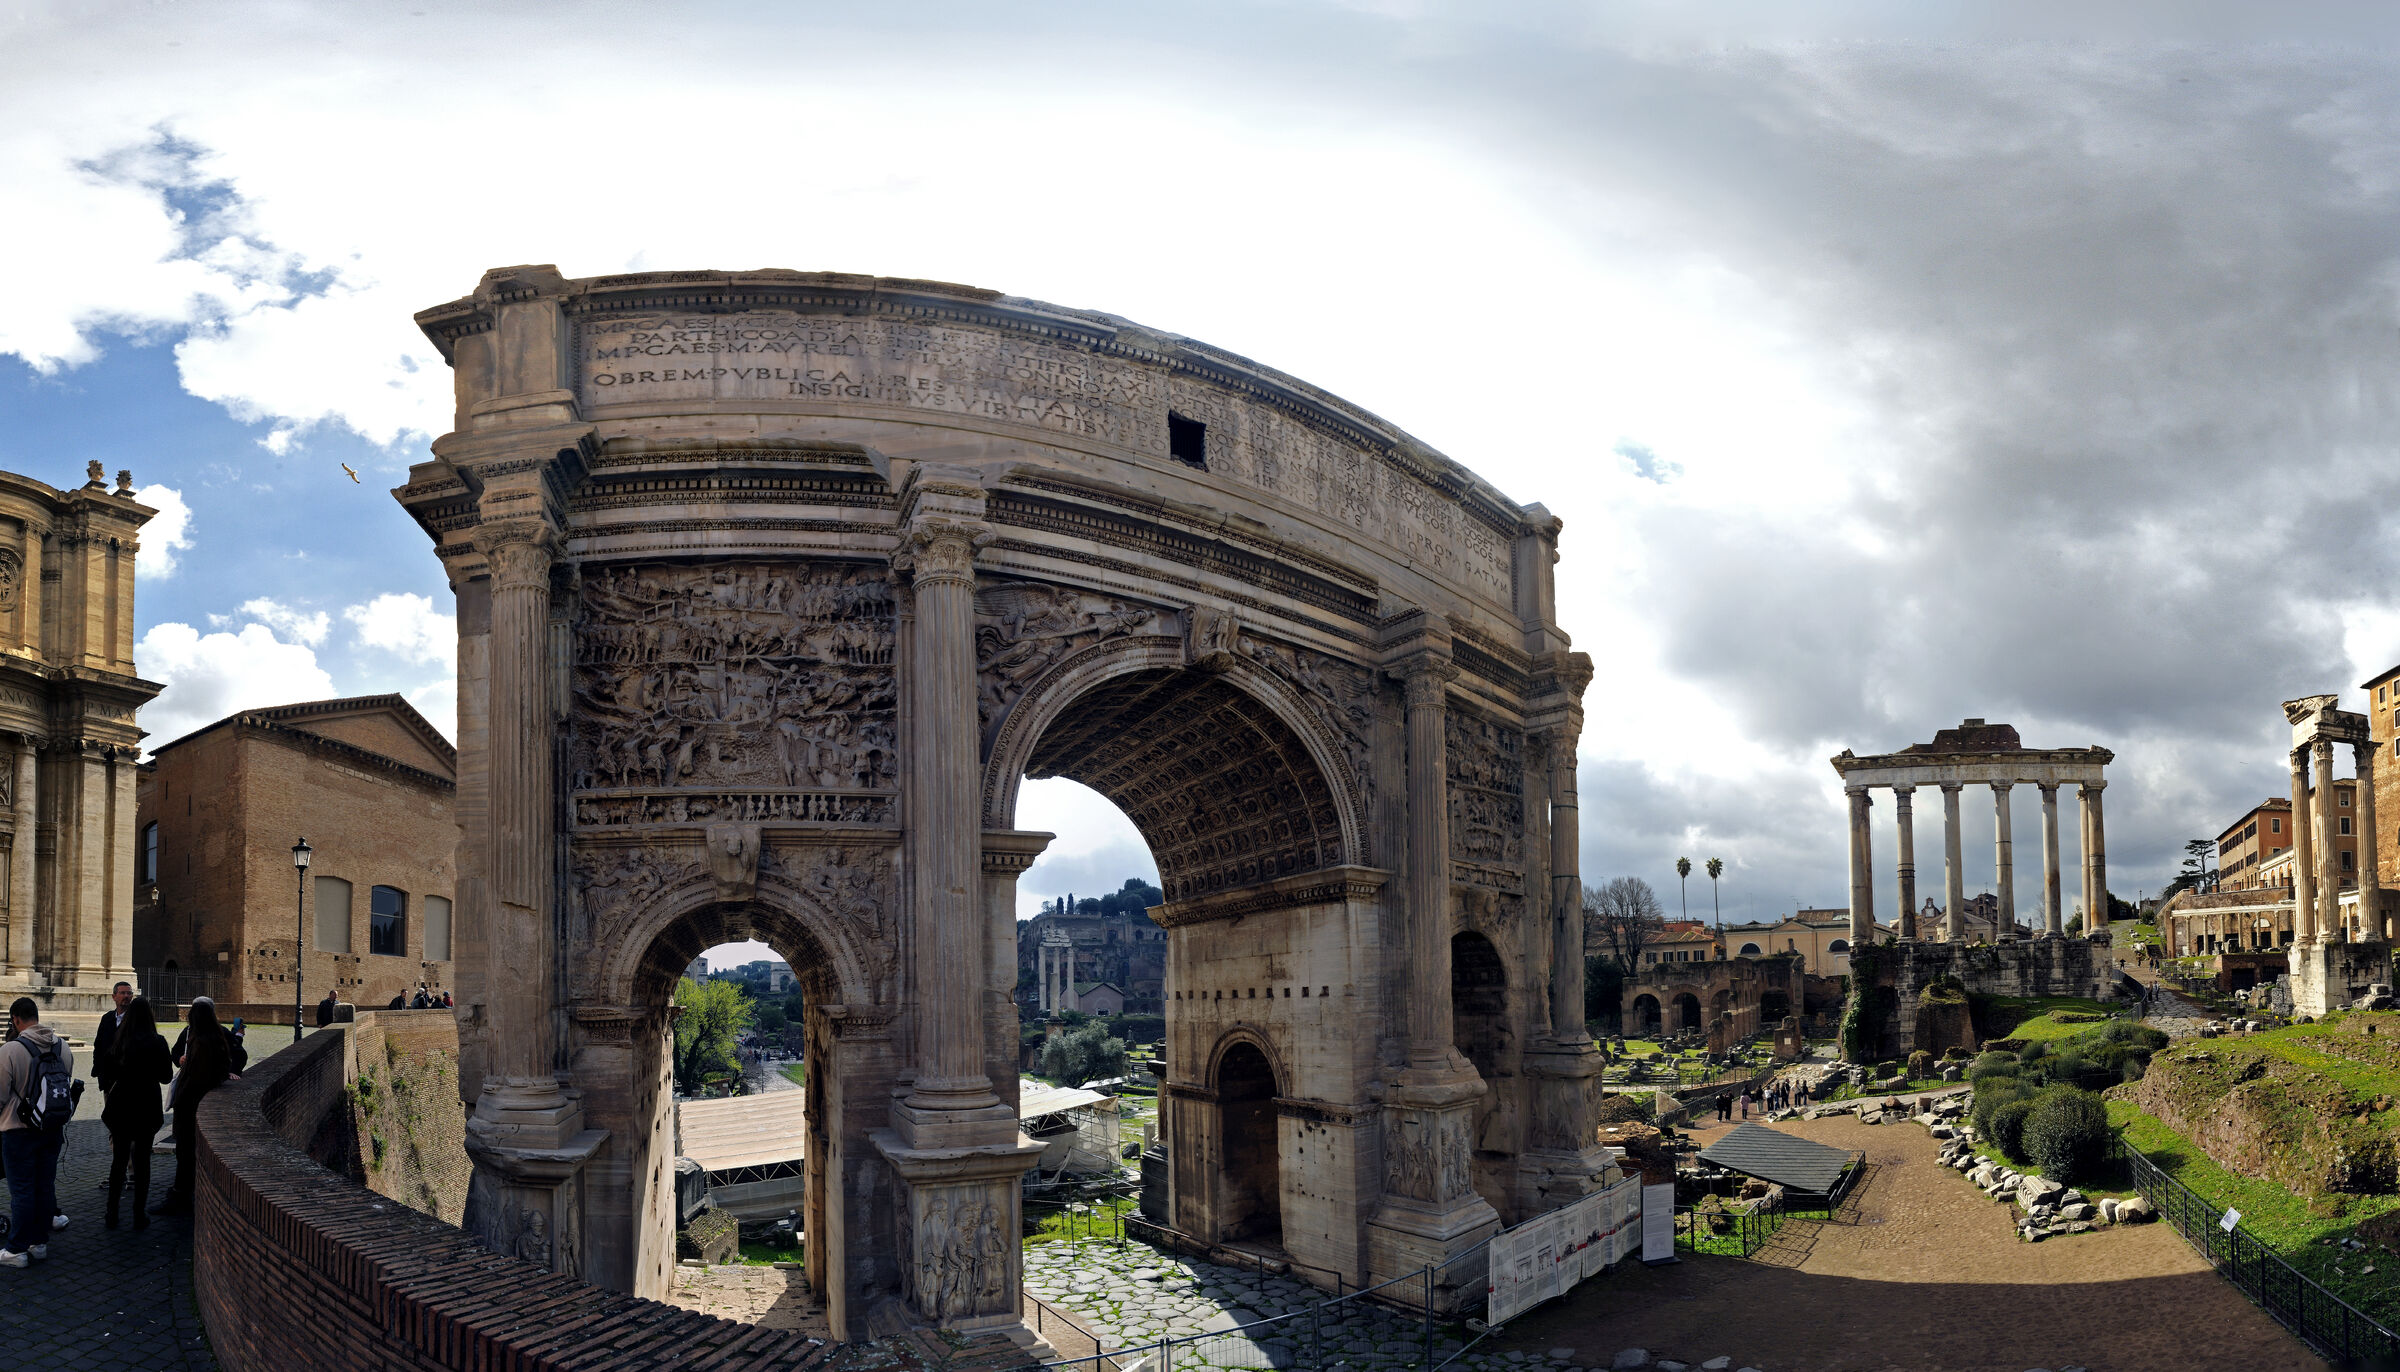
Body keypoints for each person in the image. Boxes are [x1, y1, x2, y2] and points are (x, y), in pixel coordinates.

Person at [0, 996, 73, 1264]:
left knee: (22, 1190)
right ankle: (38, 1243)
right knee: (44, 1186)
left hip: (18, 1130)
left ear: (16, 1020)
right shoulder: (63, 1047)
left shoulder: (10, 1050)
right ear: (37, 1016)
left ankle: (17, 1249)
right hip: (51, 1127)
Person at [154, 998, 237, 1218]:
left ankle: (180, 1197)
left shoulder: (201, 1043)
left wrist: (179, 1097)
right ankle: (185, 1192)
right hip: (198, 1104)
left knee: (185, 1153)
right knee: (189, 1153)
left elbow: (196, 1078)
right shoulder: (214, 1037)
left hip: (190, 1108)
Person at [100, 997, 169, 1229]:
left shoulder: (120, 1041)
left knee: (119, 1160)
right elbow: (166, 1077)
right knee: (142, 1162)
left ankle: (111, 1213)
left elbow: (108, 1070)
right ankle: (139, 1215)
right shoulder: (158, 1042)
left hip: (122, 1105)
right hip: (146, 1105)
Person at [92, 981, 132, 1090]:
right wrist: (99, 1070)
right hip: (108, 1079)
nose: (126, 996)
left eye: (129, 993)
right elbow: (98, 1045)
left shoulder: (135, 1020)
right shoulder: (107, 1018)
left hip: (128, 1080)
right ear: (114, 997)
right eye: (122, 993)